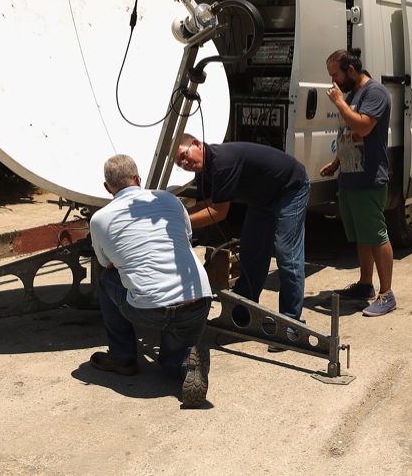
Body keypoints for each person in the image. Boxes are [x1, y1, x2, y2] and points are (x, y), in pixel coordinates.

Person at [88, 154, 212, 409]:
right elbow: (186, 241)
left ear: (107, 187)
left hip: (150, 310)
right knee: (169, 360)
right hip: (198, 301)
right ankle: (186, 364)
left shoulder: (100, 219)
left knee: (107, 280)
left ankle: (122, 357)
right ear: (138, 178)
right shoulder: (169, 199)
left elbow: (109, 265)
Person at [175, 134, 309, 323]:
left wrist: (178, 222)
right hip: (262, 197)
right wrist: (175, 214)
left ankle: (290, 323)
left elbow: (218, 212)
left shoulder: (222, 162)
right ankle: (242, 314)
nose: (185, 164)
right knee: (251, 252)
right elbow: (205, 204)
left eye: (184, 156)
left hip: (290, 188)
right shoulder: (203, 172)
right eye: (180, 164)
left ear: (197, 144)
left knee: (288, 255)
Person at [320, 48, 396, 317]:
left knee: (375, 235)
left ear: (351, 70)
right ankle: (365, 285)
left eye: (336, 75)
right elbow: (348, 133)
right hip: (350, 177)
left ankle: (387, 294)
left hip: (369, 179)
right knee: (362, 237)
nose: (333, 82)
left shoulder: (375, 93)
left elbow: (363, 127)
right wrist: (337, 162)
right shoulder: (351, 94)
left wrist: (340, 103)